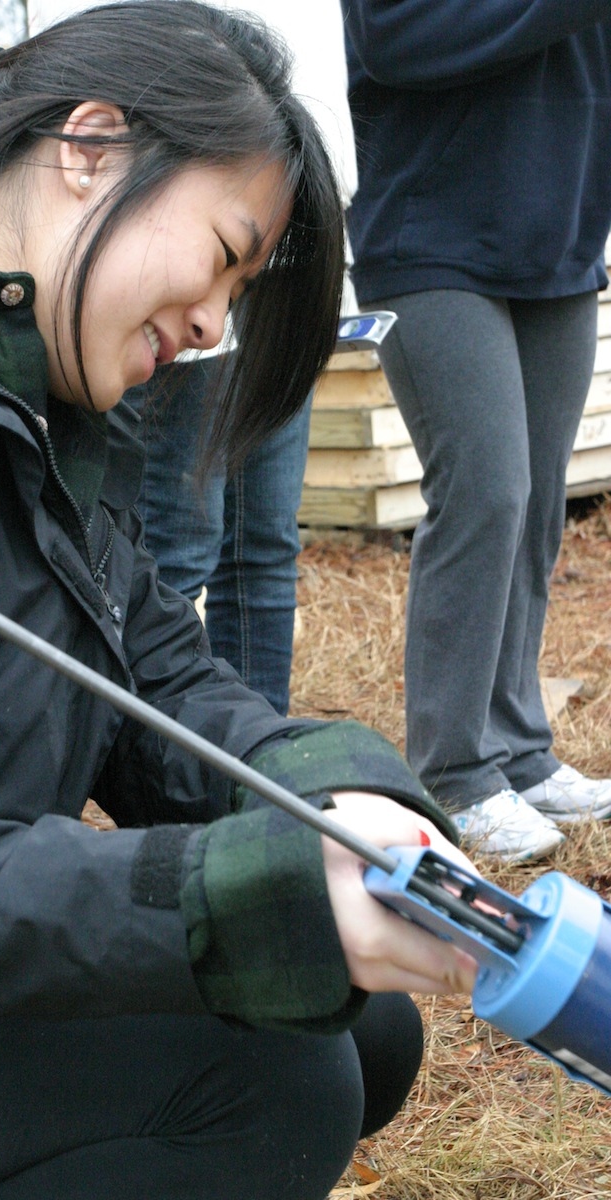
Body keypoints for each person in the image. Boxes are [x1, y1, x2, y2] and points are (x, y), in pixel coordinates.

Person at [0, 4, 478, 1196]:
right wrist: (234, 902)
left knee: (355, 1021)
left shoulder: (29, 394)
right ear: (91, 145)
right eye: (226, 255)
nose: (217, 323)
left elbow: (158, 684)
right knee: (271, 1083)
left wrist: (348, 804)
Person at [28, 0, 358, 717]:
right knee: (175, 550)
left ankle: (257, 733)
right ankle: (162, 737)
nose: (212, 322)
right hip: (153, 291)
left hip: (286, 255)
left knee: (265, 540)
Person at [345, 1, 611, 863]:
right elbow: (394, 40)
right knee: (486, 492)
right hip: (430, 240)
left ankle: (521, 753)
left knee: (532, 506)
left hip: (560, 234)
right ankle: (455, 773)